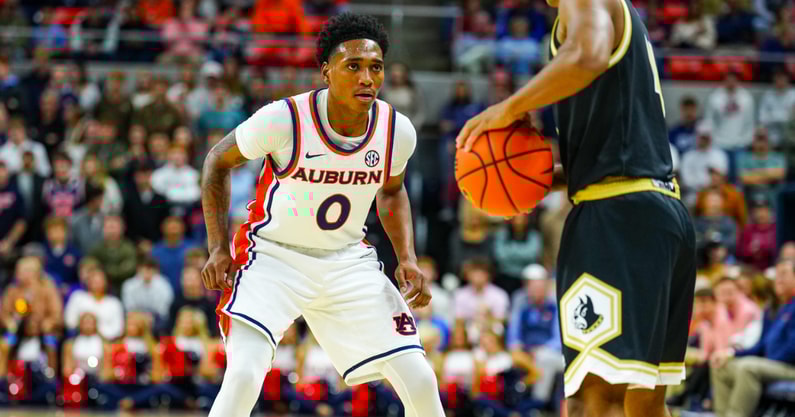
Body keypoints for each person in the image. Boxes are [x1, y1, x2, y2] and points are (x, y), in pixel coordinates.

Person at [456, 0, 697, 415]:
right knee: (643, 403)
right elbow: (615, 148)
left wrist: (510, 106)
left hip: (615, 220)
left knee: (594, 398)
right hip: (657, 210)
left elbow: (587, 55)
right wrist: (524, 180)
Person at [200, 13, 444, 417]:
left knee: (420, 379)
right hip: (272, 257)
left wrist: (408, 258)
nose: (367, 78)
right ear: (326, 71)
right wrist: (217, 247)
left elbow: (392, 191)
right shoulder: (284, 119)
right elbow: (216, 162)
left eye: (375, 67)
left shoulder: (396, 131)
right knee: (244, 374)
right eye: (353, 66)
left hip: (346, 259)